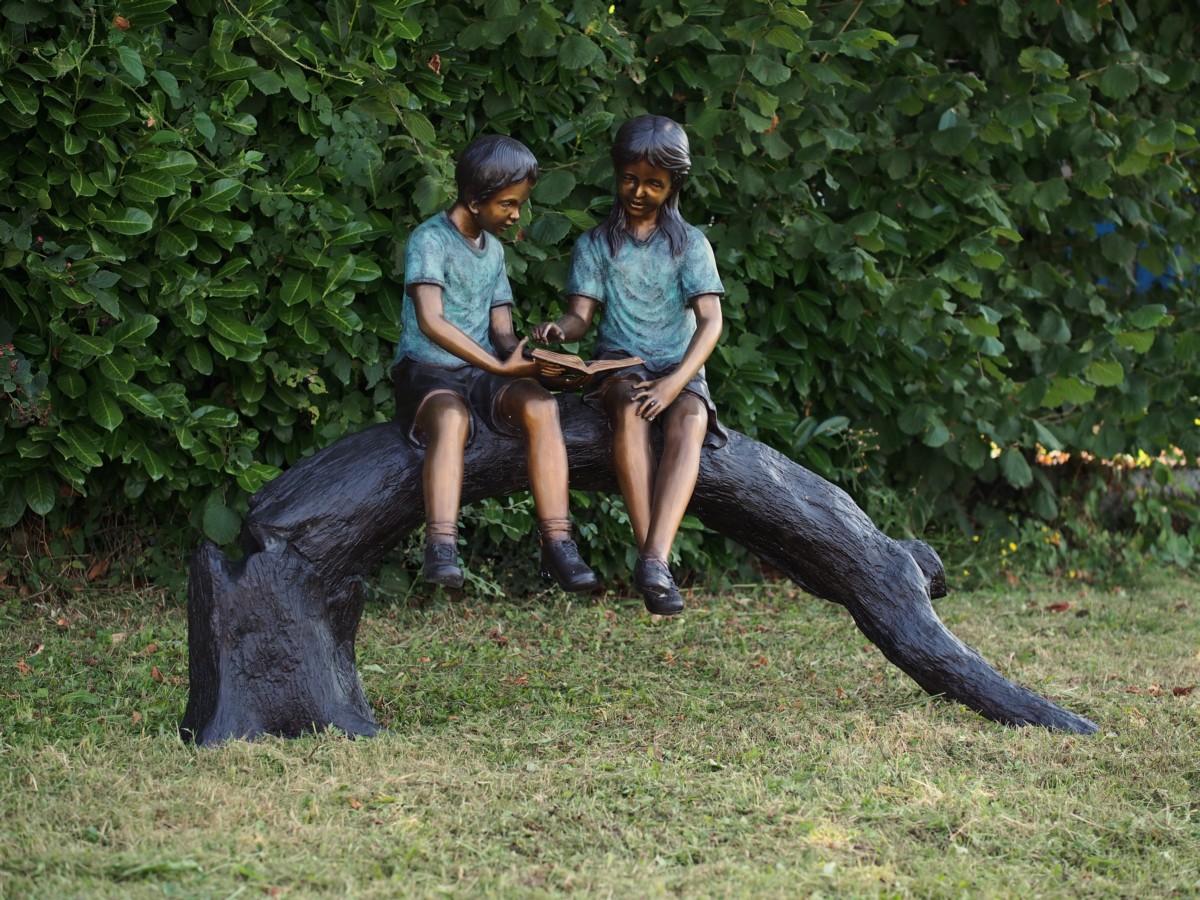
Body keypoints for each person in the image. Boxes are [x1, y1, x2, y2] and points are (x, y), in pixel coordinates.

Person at [532, 115, 725, 616]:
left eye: (654, 184)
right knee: (629, 410)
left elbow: (710, 323)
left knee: (691, 420)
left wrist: (676, 384)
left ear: (674, 185)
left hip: (679, 368)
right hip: (619, 366)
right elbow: (581, 317)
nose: (638, 192)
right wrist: (560, 329)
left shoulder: (690, 244)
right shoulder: (596, 244)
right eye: (629, 179)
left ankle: (654, 558)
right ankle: (655, 563)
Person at [392, 134, 598, 593]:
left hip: (483, 372)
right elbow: (431, 320)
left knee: (542, 407)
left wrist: (536, 358)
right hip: (429, 371)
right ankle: (442, 545)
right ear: (474, 198)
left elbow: (501, 331)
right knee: (450, 419)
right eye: (508, 204)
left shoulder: (496, 252)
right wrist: (499, 365)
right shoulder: (430, 240)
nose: (516, 215)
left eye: (519, 204)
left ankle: (558, 542)